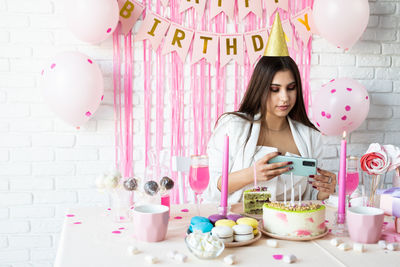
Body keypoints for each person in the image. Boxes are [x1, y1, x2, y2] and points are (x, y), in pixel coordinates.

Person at [205, 13, 336, 204]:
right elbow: (214, 187)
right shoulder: (232, 126)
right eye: (274, 90)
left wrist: (326, 190)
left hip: (291, 229)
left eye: (291, 88)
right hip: (243, 226)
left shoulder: (310, 136)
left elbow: (312, 198)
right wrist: (252, 174)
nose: (284, 97)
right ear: (260, 88)